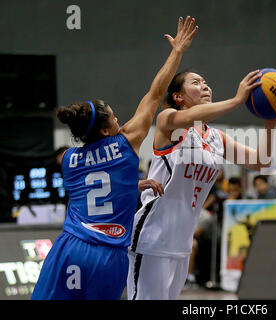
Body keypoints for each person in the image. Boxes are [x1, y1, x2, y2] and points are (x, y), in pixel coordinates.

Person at [31, 16, 197, 300]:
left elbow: (96, 187)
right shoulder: (126, 143)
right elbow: (156, 93)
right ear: (106, 129)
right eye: (114, 115)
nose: (120, 118)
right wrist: (177, 51)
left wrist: (135, 183)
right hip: (108, 256)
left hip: (70, 248)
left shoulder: (69, 160)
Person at [127, 67, 276, 299]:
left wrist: (270, 122)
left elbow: (263, 161)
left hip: (182, 242)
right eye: (196, 82)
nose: (205, 86)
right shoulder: (168, 120)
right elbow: (189, 118)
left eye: (206, 82)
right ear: (178, 97)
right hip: (152, 237)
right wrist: (238, 100)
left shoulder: (216, 138)